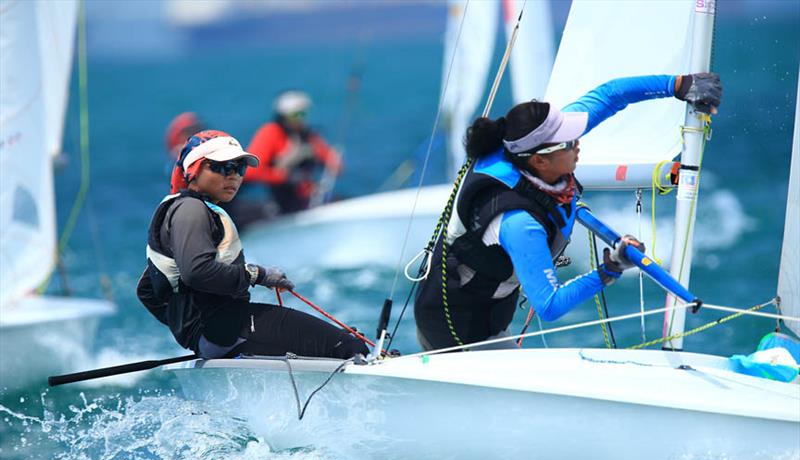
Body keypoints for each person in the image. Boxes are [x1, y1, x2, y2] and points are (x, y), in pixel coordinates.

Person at [414, 73, 722, 351]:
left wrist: (679, 85)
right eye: (569, 141)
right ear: (539, 162)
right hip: (456, 329)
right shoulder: (519, 223)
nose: (578, 143)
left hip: (492, 312)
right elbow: (549, 305)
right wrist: (611, 267)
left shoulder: (532, 139)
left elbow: (610, 93)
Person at [137, 129, 368, 360]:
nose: (234, 176)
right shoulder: (192, 210)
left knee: (325, 344)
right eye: (224, 167)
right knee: (349, 346)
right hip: (226, 328)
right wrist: (258, 275)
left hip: (217, 335)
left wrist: (192, 334)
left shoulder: (179, 209)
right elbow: (197, 272)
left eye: (240, 169)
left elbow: (147, 291)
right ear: (194, 169)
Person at [242, 90, 342, 216]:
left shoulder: (309, 137)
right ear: (284, 116)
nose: (301, 119)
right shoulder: (271, 133)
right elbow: (251, 172)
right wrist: (283, 176)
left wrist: (325, 157)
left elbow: (336, 166)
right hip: (281, 201)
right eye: (295, 115)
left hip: (309, 197)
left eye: (303, 114)